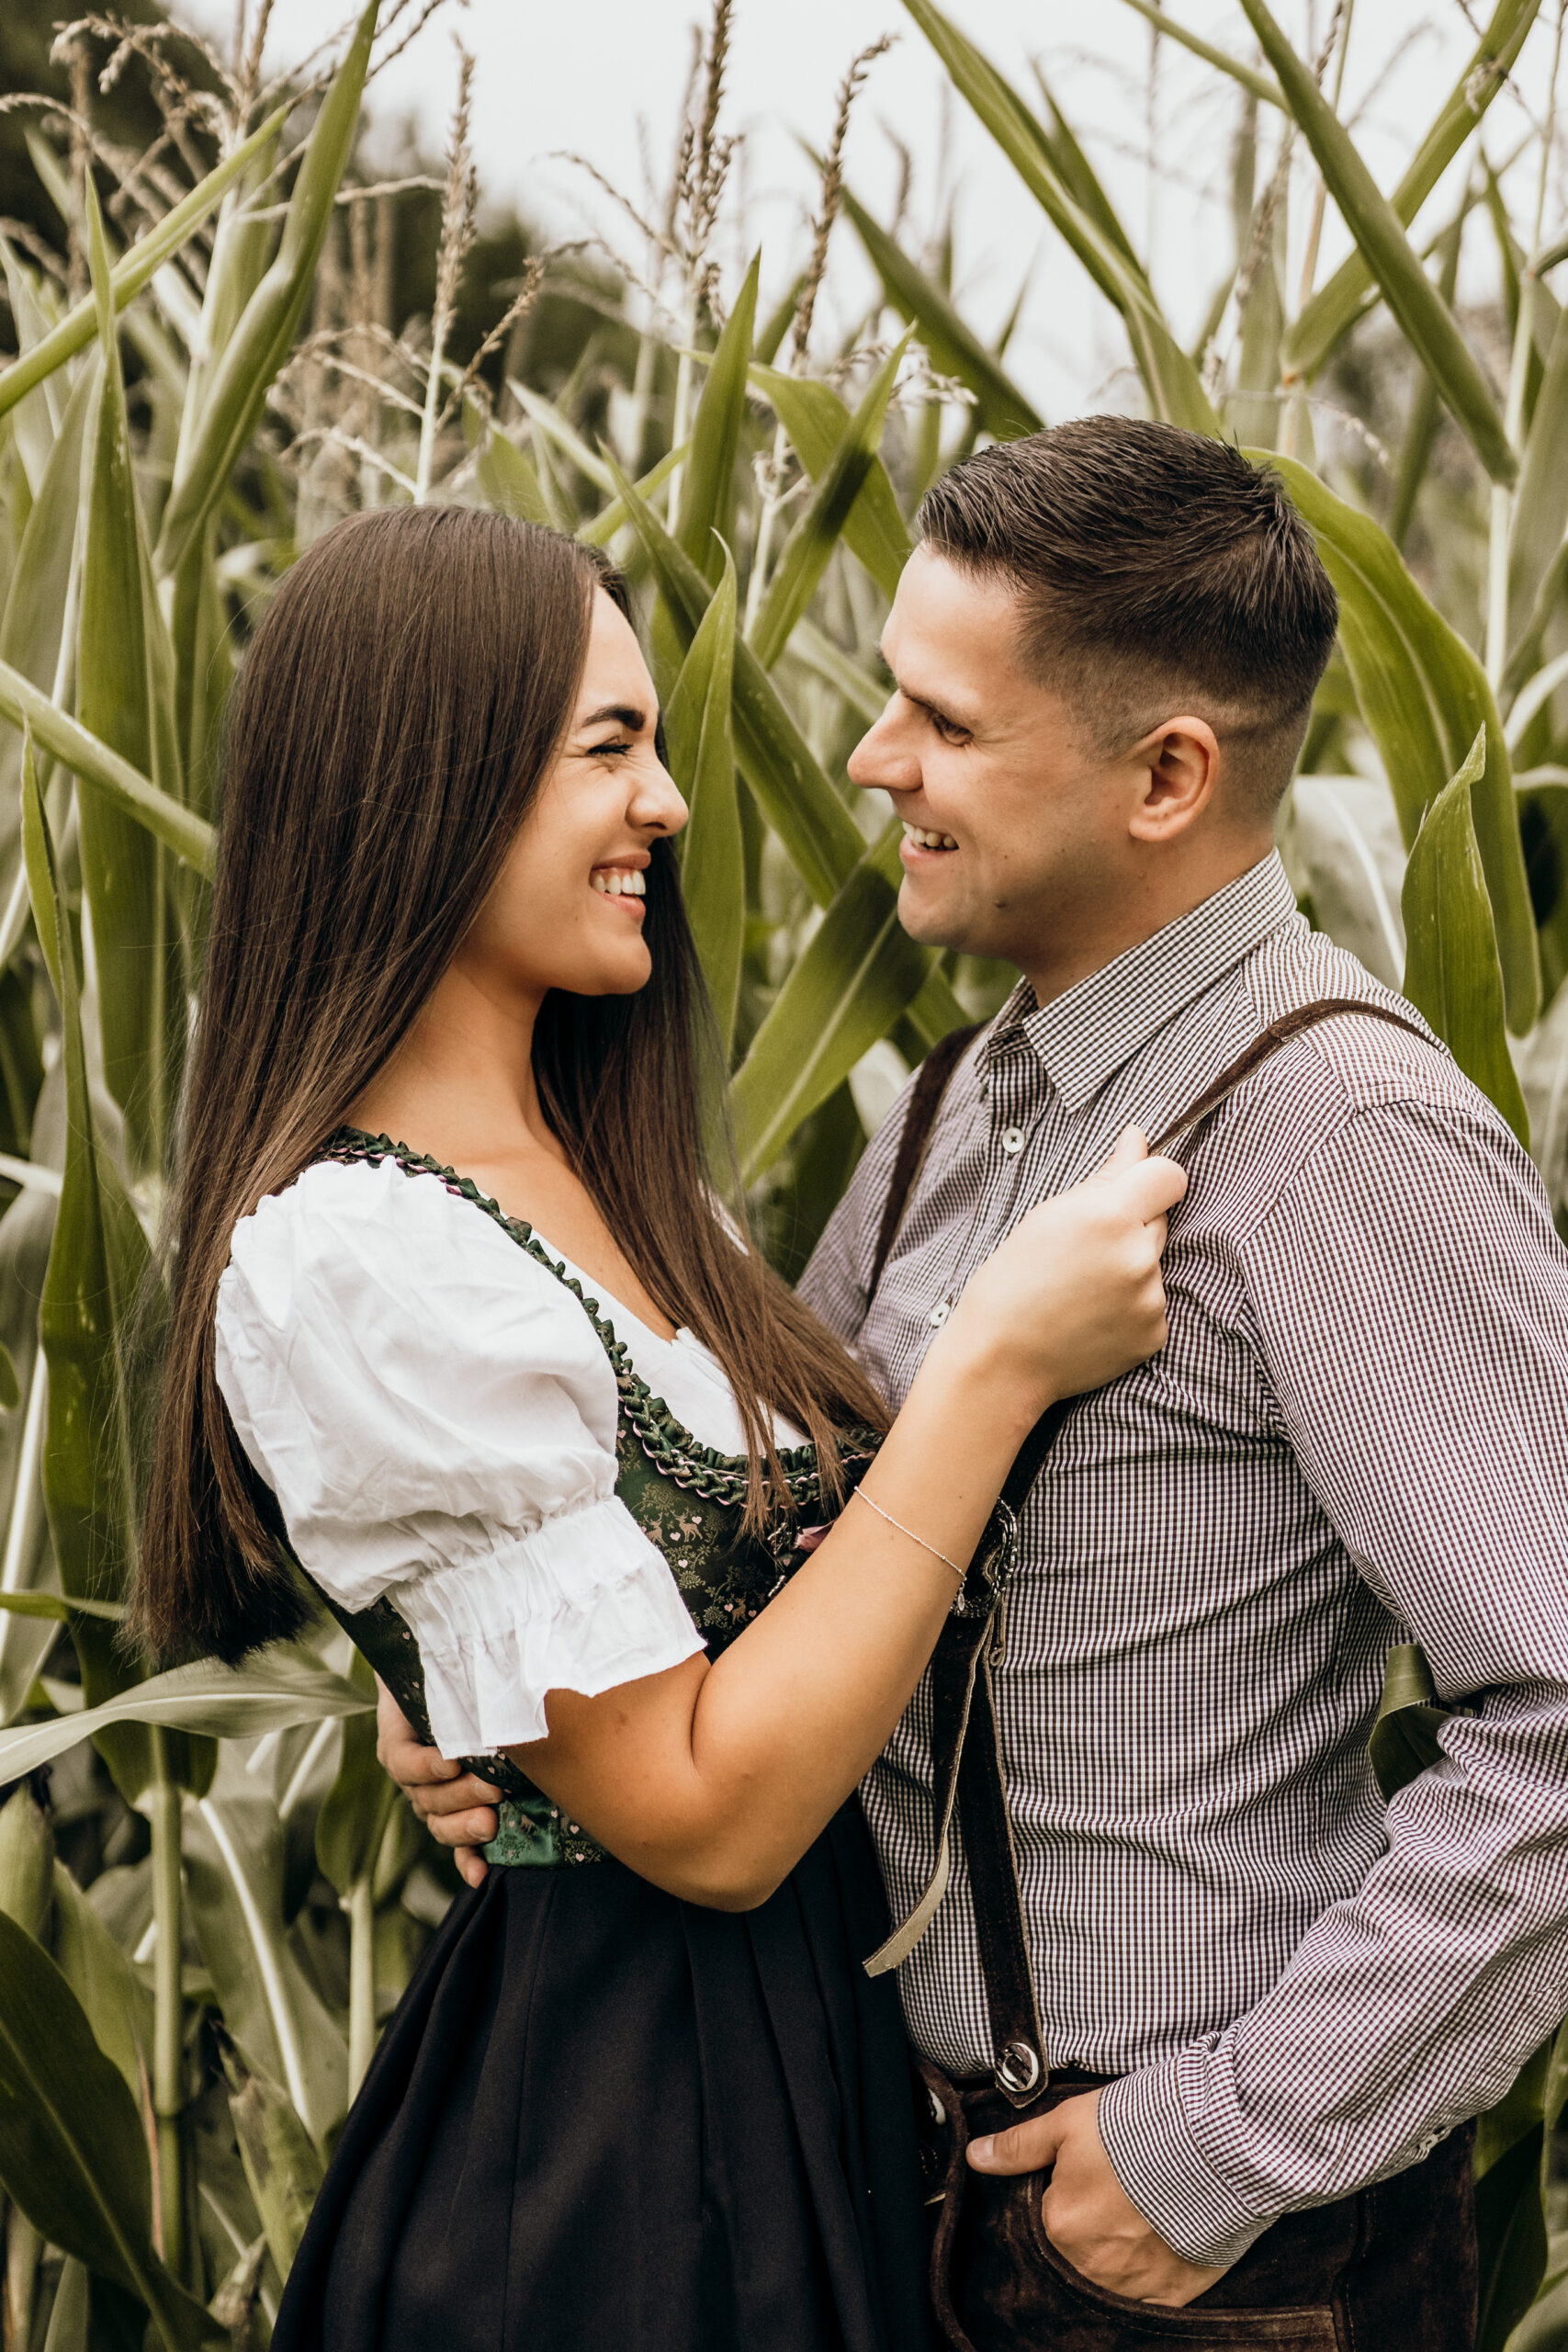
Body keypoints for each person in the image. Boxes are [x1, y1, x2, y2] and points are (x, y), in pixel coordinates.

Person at [393, 420, 1568, 2352]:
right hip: (916, 2190)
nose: (871, 765)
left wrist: (1216, 2150)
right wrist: (514, 1696)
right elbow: (815, 1560)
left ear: (1163, 775)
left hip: (1212, 2269)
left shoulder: (1346, 1131)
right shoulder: (954, 1107)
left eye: (940, 721)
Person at [132, 501, 1186, 2352]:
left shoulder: (623, 1187)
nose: (670, 804)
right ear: (423, 780)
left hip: (796, 2076)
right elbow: (706, 1818)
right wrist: (993, 1367)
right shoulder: (354, 1254)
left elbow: (660, 1607)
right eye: (606, 748)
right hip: (613, 2127)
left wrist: (479, 1695)